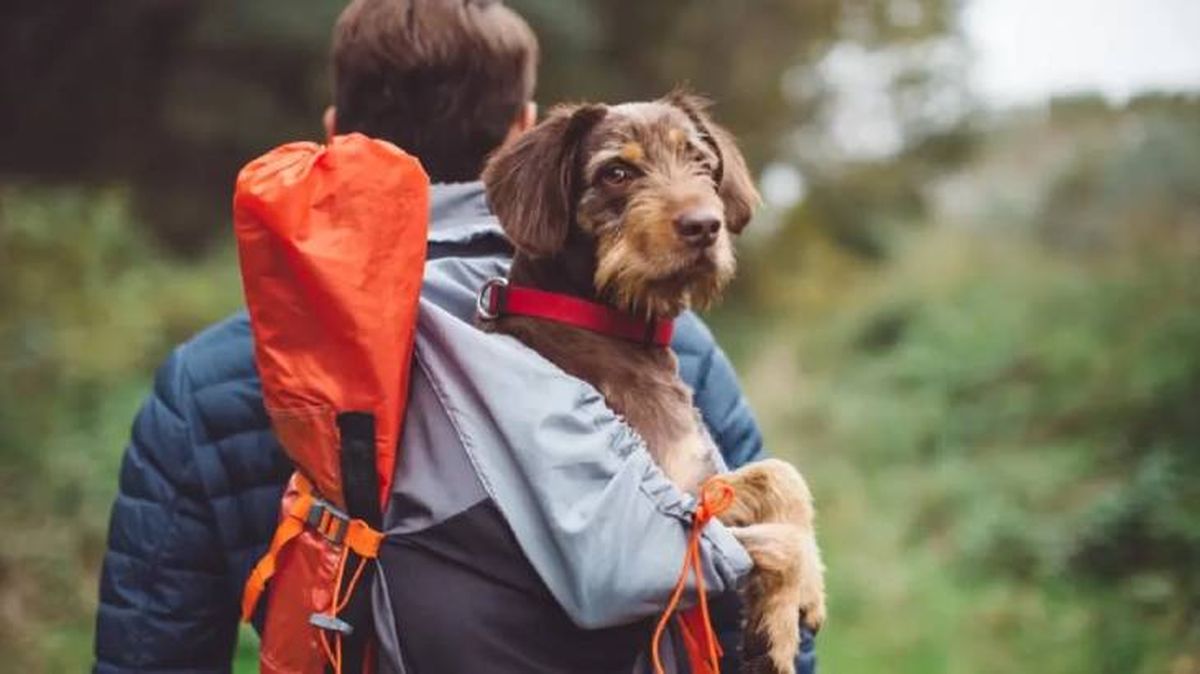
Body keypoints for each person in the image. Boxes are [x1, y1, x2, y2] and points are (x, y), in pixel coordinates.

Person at [92, 1, 817, 672]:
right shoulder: (667, 344)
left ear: (334, 133)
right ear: (523, 130)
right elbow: (769, 630)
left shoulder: (210, 376)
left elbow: (149, 656)